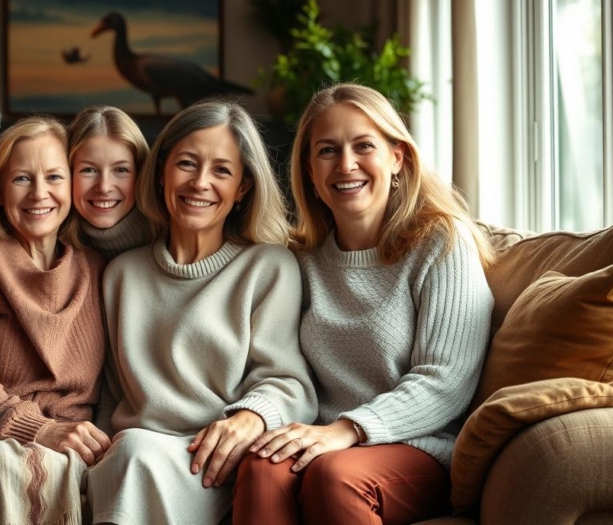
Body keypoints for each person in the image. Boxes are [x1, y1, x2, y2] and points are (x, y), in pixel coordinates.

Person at [232, 83, 495, 524]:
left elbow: (445, 381)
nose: (346, 164)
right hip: (322, 441)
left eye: (363, 146)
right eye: (327, 151)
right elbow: (274, 366)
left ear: (397, 157)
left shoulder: (441, 243)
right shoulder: (298, 259)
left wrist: (349, 430)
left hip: (418, 446)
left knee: (335, 475)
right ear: (309, 171)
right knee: (261, 466)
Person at [87, 100, 317, 524]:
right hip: (132, 453)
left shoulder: (268, 267)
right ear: (161, 174)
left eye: (222, 171)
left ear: (243, 188)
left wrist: (251, 416)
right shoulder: (121, 275)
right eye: (187, 164)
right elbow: (110, 396)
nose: (200, 183)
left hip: (217, 460)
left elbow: (288, 381)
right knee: (130, 453)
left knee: (135, 455)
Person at [0, 116, 108, 525]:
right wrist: (40, 431)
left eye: (54, 177)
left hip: (86, 438)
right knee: (2, 464)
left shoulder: (98, 267)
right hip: (1, 435)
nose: (40, 193)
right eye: (22, 179)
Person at [66, 105, 151, 259]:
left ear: (142, 175)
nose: (104, 187)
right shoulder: (54, 252)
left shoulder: (170, 243)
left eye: (121, 170)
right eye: (89, 170)